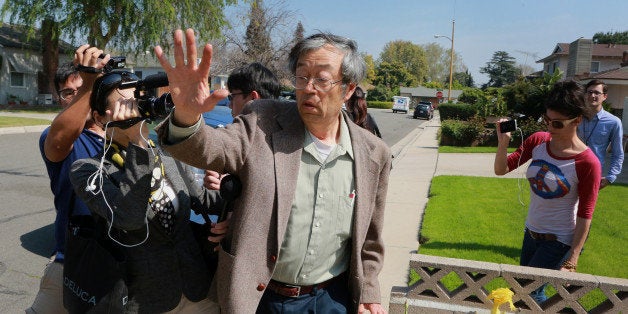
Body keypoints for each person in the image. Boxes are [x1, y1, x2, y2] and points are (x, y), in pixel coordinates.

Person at [154, 29, 390, 314]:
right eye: (302, 77)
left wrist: (369, 291)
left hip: (333, 299)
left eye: (322, 79)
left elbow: (370, 238)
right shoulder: (263, 120)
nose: (308, 88)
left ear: (348, 89)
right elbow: (210, 149)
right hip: (262, 298)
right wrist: (187, 117)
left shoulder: (373, 154)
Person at [69, 71, 224, 313]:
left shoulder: (165, 152)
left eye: (137, 102)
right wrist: (137, 143)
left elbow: (202, 200)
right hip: (146, 299)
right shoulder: (88, 170)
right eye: (125, 104)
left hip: (196, 289)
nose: (136, 110)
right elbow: (128, 218)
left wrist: (233, 182)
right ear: (100, 118)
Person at [494, 80, 601, 303]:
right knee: (531, 292)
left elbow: (586, 212)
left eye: (558, 124)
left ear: (577, 120)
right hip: (531, 233)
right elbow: (501, 169)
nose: (550, 127)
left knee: (526, 293)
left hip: (559, 239)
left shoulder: (587, 162)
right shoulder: (538, 142)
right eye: (547, 120)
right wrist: (503, 143)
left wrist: (572, 258)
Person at [29, 46, 109, 314]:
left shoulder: (123, 134)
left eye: (83, 88)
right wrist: (89, 83)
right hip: (71, 264)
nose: (76, 97)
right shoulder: (56, 137)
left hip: (121, 264)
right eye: (67, 93)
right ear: (59, 99)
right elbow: (62, 133)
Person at [203, 62, 281, 190]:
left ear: (253, 99)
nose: (229, 104)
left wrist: (230, 187)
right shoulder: (282, 137)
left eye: (232, 96)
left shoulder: (275, 146)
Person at [576, 79, 624, 189]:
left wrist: (611, 177)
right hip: (569, 169)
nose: (592, 95)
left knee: (586, 206)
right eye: (589, 92)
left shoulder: (613, 122)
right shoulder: (575, 117)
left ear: (605, 96)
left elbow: (618, 153)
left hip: (593, 172)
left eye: (597, 93)